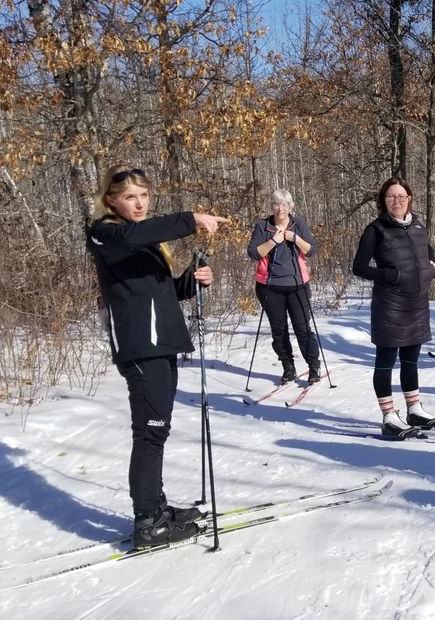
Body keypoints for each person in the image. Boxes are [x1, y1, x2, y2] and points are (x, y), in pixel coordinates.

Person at [87, 165, 230, 547]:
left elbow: (162, 293)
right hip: (140, 348)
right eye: (130, 197)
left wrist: (191, 279)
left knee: (157, 430)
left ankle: (156, 507)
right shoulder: (106, 233)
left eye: (144, 196)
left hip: (163, 344)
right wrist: (190, 219)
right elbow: (132, 236)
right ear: (112, 200)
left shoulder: (145, 240)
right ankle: (148, 521)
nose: (139, 203)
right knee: (149, 434)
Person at [352, 178, 435, 434]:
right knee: (385, 361)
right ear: (383, 201)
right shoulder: (376, 229)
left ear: (409, 199)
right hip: (390, 306)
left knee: (410, 360)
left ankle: (414, 410)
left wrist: (432, 271)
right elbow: (359, 267)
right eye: (391, 197)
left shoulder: (418, 225)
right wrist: (391, 275)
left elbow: (426, 256)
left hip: (416, 305)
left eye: (401, 196)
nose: (397, 201)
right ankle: (388, 416)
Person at [246, 189, 322, 384]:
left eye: (284, 205)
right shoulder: (263, 226)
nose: (280, 209)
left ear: (290, 207)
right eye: (276, 205)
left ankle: (314, 367)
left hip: (297, 285)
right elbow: (254, 253)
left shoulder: (299, 225)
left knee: (303, 328)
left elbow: (312, 249)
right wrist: (274, 241)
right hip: (269, 287)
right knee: (278, 330)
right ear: (271, 207)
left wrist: (294, 238)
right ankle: (288, 367)